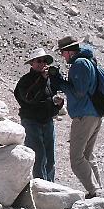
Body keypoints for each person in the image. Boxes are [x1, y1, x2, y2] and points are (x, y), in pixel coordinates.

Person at [51, 36, 103, 198]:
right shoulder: (89, 61)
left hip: (84, 115)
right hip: (94, 114)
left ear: (69, 51)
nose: (62, 56)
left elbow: (79, 92)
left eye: (62, 52)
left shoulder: (79, 64)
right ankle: (99, 189)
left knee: (76, 159)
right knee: (87, 155)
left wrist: (59, 81)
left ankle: (94, 190)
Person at [14, 48, 64, 181]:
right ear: (32, 63)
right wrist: (41, 80)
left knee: (50, 157)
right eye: (39, 61)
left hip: (47, 121)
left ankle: (50, 185)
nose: (42, 64)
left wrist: (58, 104)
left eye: (44, 61)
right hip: (31, 122)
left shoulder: (49, 80)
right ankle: (40, 186)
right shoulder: (25, 80)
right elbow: (29, 98)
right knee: (38, 156)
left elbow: (50, 99)